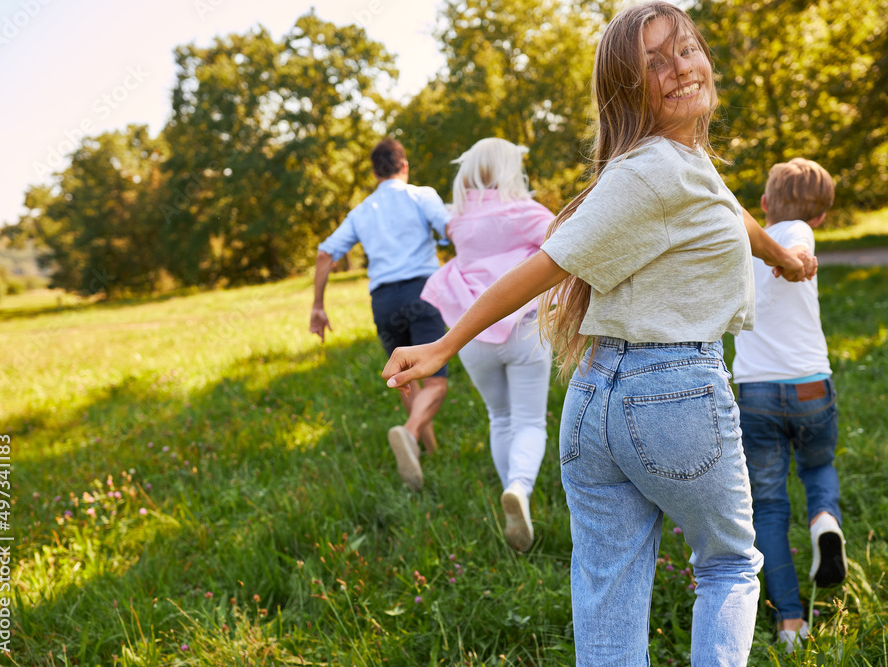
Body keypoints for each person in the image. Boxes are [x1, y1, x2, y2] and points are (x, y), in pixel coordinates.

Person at [382, 3, 817, 664]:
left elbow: (730, 212)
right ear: (627, 90)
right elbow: (545, 265)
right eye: (655, 63)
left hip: (595, 406)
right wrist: (444, 344)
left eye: (686, 50)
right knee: (729, 564)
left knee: (608, 591)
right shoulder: (653, 171)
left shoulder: (680, 163)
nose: (680, 69)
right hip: (674, 393)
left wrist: (783, 257)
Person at [731, 157, 846, 653]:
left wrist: (796, 257)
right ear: (821, 215)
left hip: (756, 393)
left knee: (770, 505)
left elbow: (796, 248)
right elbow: (799, 245)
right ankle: (824, 521)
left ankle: (790, 622)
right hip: (810, 387)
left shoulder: (747, 241)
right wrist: (799, 257)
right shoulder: (801, 230)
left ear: (764, 204)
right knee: (818, 467)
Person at [421, 138, 555, 552]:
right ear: (510, 169)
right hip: (523, 329)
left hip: (471, 333)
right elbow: (568, 246)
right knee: (530, 421)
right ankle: (520, 488)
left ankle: (511, 497)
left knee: (500, 417)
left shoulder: (458, 220)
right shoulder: (525, 211)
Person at [311, 138, 450, 492]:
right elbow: (451, 229)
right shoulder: (421, 195)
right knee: (435, 381)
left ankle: (427, 451)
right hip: (423, 292)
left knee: (404, 378)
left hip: (384, 301)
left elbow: (325, 254)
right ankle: (410, 433)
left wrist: (318, 306)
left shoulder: (362, 211)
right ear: (405, 166)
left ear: (374, 174)